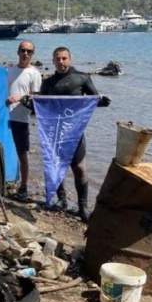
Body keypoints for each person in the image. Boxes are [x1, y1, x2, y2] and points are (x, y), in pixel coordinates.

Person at [38, 46, 111, 222]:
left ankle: (83, 207)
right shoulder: (48, 83)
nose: (61, 62)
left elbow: (94, 100)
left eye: (64, 58)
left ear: (70, 59)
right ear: (53, 61)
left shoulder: (82, 78)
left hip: (75, 132)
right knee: (56, 166)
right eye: (58, 59)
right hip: (54, 132)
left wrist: (103, 101)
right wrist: (28, 103)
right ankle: (62, 200)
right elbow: (41, 107)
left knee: (80, 169)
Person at [7, 40, 42, 202]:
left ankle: (23, 186)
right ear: (18, 52)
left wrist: (20, 99)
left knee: (22, 153)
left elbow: (36, 99)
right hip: (4, 117)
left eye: (29, 51)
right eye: (23, 50)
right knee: (3, 149)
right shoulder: (9, 70)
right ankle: (5, 180)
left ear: (32, 54)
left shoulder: (34, 74)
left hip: (21, 119)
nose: (25, 54)